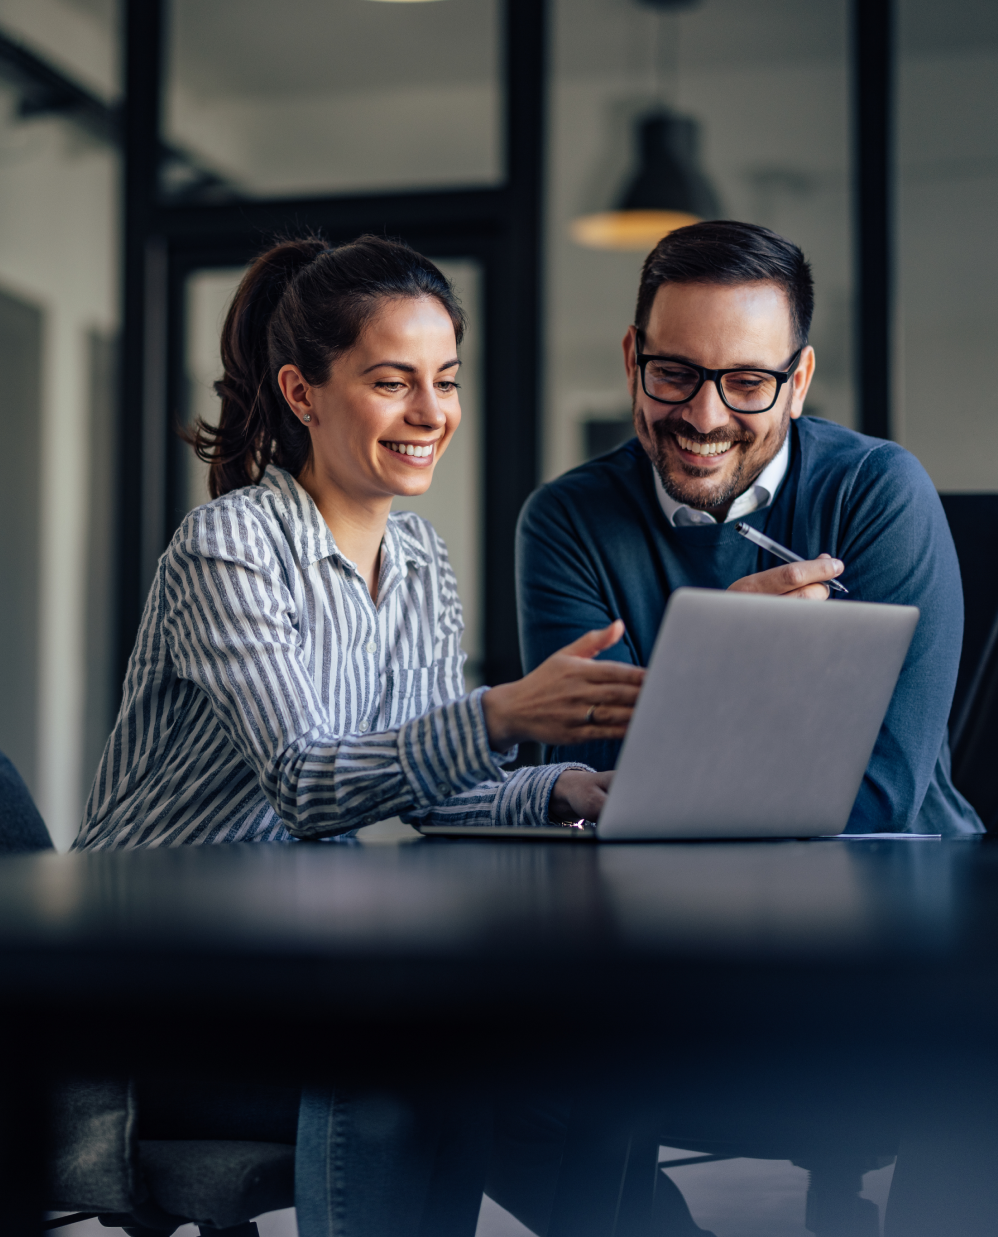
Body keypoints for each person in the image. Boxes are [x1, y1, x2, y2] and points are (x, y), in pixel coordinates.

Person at [72, 233, 645, 1236]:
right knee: (416, 1067)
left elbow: (433, 790)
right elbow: (306, 784)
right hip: (153, 1001)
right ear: (303, 394)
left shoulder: (420, 561)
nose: (431, 414)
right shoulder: (229, 546)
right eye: (393, 382)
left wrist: (561, 794)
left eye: (445, 381)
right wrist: (503, 711)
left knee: (570, 1090)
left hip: (295, 971)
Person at [516, 220, 981, 836]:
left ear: (798, 384)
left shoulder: (879, 491)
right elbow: (600, 787)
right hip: (660, 891)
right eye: (675, 373)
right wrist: (721, 662)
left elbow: (882, 790)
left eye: (748, 382)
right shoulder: (566, 521)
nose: (705, 418)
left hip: (898, 876)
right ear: (633, 361)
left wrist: (686, 722)